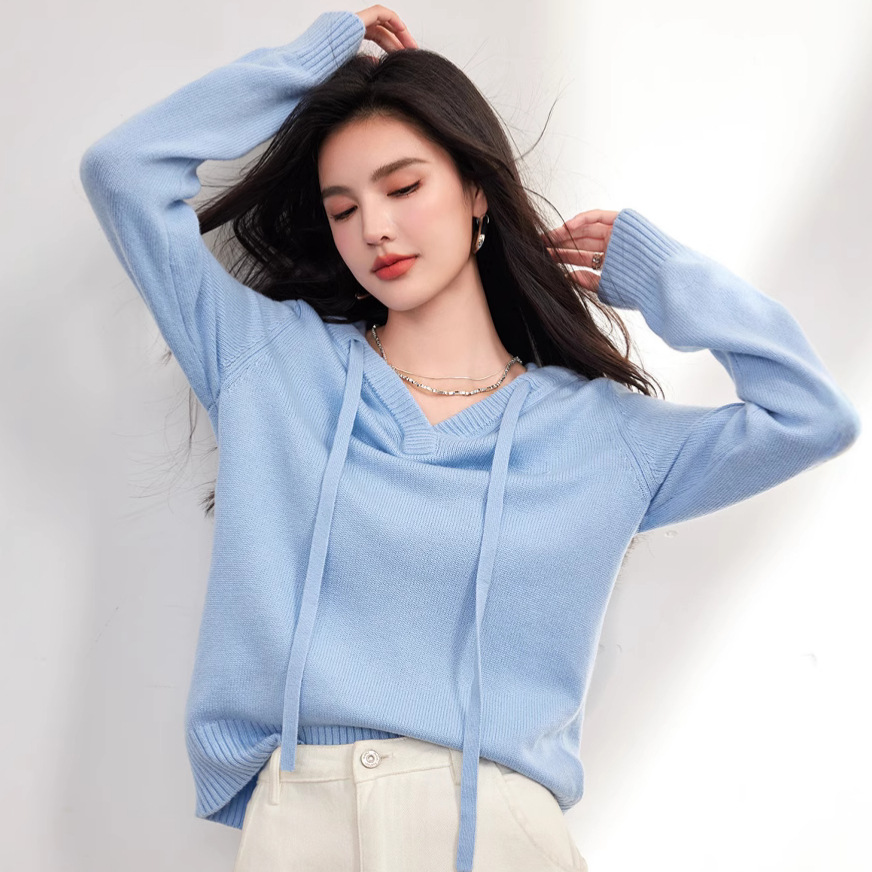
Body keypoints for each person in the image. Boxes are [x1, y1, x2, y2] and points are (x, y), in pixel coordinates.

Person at [78, 6, 861, 871]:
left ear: (476, 190)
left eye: (404, 187)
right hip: (300, 818)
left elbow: (811, 418)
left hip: (497, 830)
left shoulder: (600, 434)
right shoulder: (269, 362)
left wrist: (664, 276)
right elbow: (123, 172)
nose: (375, 228)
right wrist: (315, 60)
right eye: (344, 208)